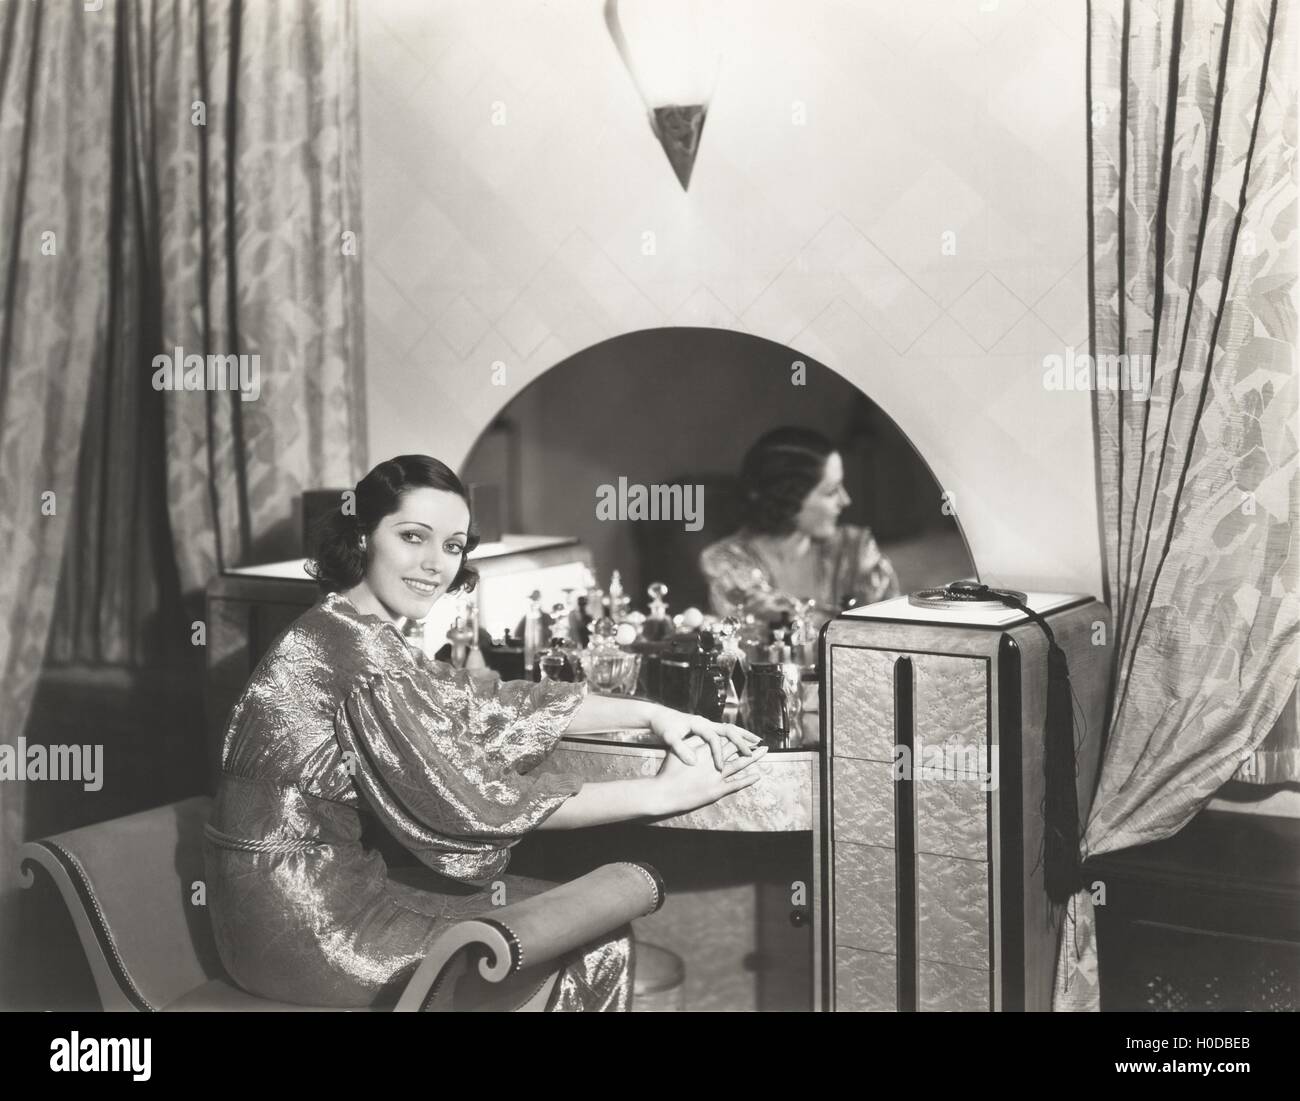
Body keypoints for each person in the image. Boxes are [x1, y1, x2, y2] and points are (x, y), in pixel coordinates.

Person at [205, 455, 766, 1010]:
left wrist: (651, 712)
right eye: (412, 536)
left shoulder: (350, 629)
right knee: (589, 943)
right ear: (362, 538)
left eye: (452, 546)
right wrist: (659, 795)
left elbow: (487, 703)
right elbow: (473, 803)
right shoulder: (358, 654)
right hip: (305, 926)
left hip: (298, 901)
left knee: (576, 921)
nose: (433, 564)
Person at [700, 427, 900, 637]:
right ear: (789, 498)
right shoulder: (727, 561)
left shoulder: (856, 550)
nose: (845, 500)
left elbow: (894, 633)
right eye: (831, 491)